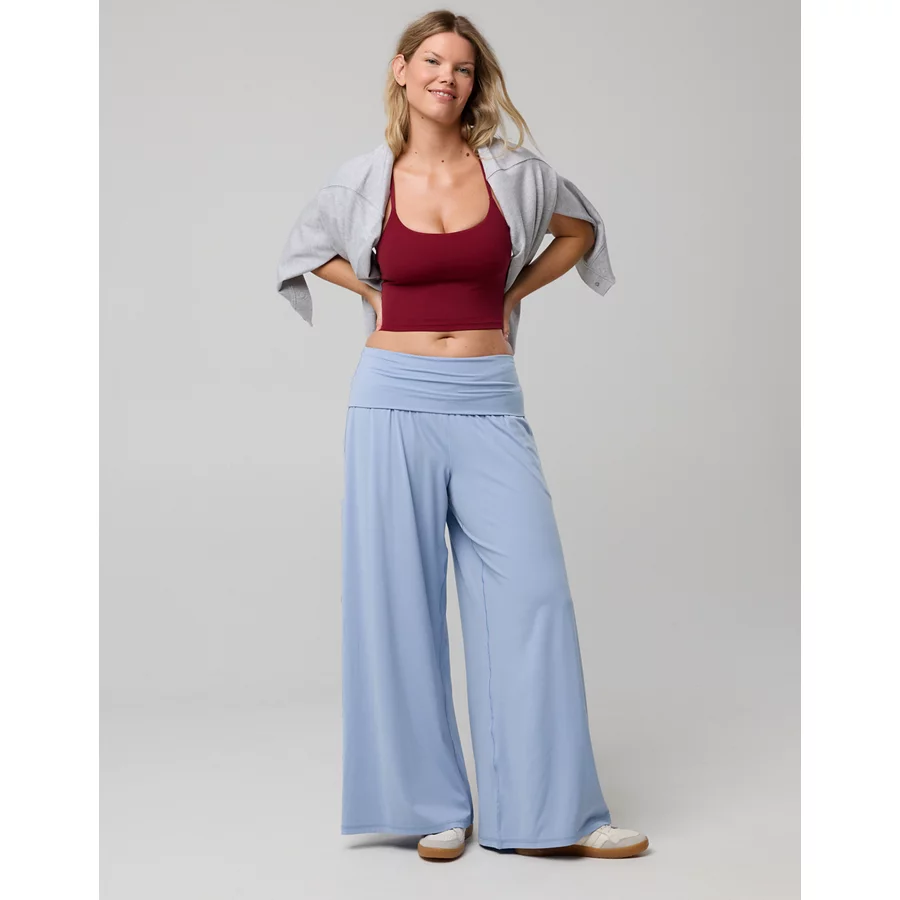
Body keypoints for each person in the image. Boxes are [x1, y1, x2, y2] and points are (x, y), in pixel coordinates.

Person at [278, 11, 650, 862]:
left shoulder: (516, 174)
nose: (449, 76)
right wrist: (369, 293)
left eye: (465, 67)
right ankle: (430, 807)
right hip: (391, 399)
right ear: (402, 71)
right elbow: (303, 249)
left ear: (475, 83)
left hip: (487, 396)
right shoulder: (364, 180)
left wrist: (513, 291)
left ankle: (556, 812)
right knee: (396, 603)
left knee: (533, 595)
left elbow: (581, 230)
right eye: (434, 61)